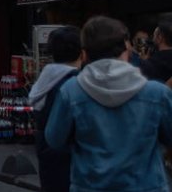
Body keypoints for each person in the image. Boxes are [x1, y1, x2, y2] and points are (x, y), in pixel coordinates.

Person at [46, 16, 172, 191]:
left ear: (84, 54)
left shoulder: (71, 92)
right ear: (126, 50)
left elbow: (54, 140)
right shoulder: (157, 94)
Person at [28, 25, 81, 192]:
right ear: (82, 52)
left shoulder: (45, 80)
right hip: (70, 162)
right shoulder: (74, 84)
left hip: (48, 159)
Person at [140, 17, 172, 82]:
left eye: (154, 35)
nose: (152, 38)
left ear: (160, 37)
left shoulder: (153, 62)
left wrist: (145, 62)